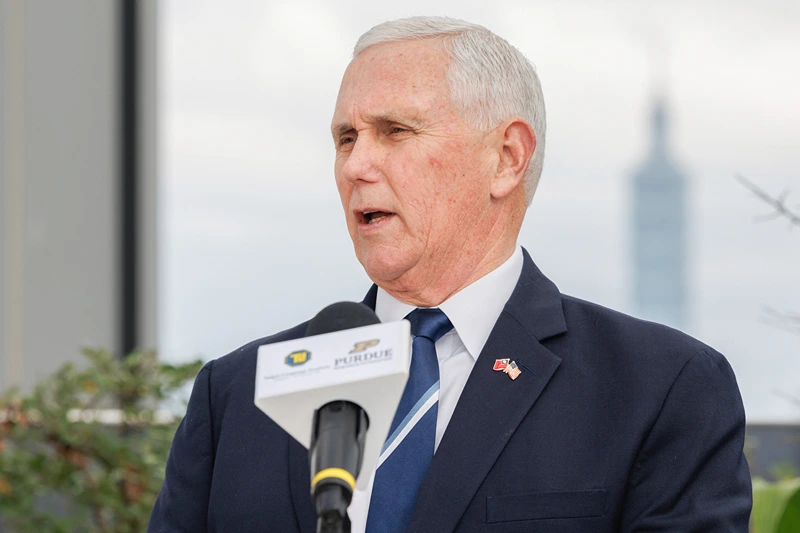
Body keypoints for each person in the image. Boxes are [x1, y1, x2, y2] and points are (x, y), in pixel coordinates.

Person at [148, 16, 751, 533]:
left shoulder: (660, 388)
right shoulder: (235, 396)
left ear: (506, 158)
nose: (356, 164)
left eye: (395, 131)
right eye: (345, 137)